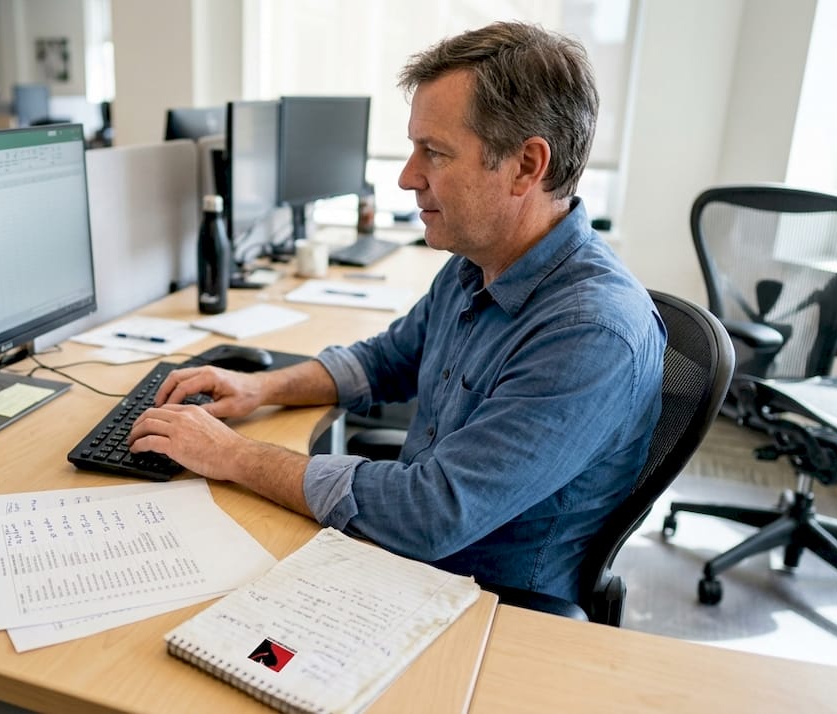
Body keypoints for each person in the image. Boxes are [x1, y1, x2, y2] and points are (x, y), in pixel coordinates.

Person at [129, 21, 666, 604]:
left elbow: (428, 514)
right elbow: (385, 361)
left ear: (525, 166)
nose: (408, 177)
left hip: (483, 604)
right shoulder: (479, 262)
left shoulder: (590, 333)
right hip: (408, 564)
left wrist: (234, 455)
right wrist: (259, 387)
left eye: (433, 152)